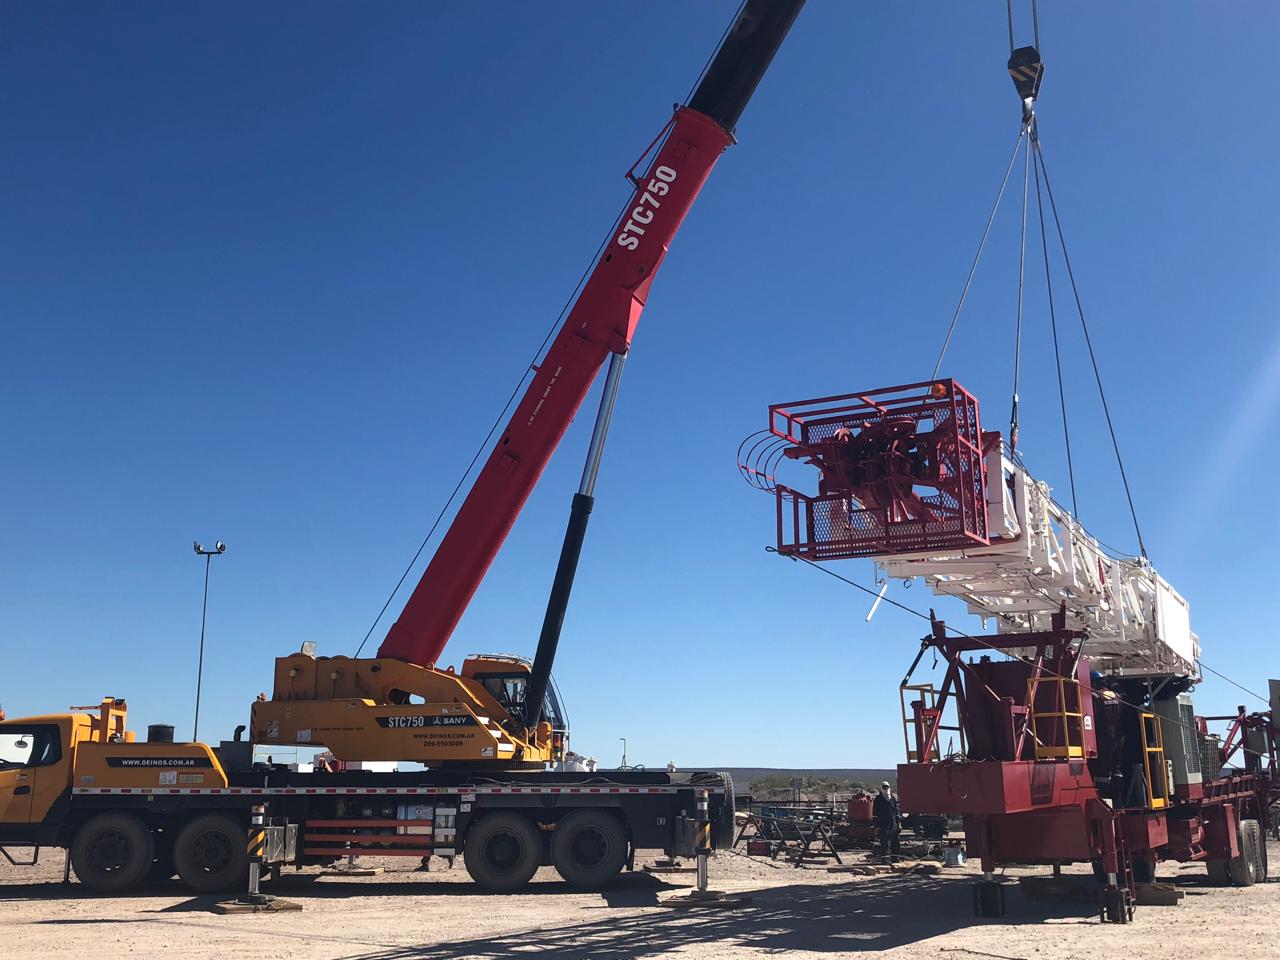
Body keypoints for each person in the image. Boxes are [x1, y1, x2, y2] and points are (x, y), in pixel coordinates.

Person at [873, 780, 901, 857]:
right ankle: (885, 860)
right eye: (884, 787)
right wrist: (877, 826)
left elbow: (896, 813)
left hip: (893, 824)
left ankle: (896, 859)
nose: (886, 788)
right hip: (884, 825)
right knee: (885, 844)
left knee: (896, 843)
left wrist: (899, 824)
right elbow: (875, 814)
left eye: (887, 787)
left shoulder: (893, 799)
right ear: (881, 788)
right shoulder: (878, 799)